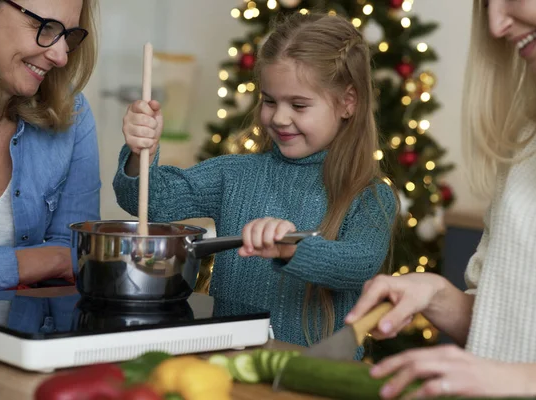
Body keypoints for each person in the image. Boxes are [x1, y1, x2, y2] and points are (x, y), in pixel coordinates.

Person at [114, 13, 398, 349]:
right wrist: (140, 150)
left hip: (312, 380)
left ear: (347, 102)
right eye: (269, 101)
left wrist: (289, 248)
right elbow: (150, 201)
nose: (278, 117)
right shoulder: (234, 174)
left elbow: (357, 264)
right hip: (229, 365)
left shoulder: (371, 196)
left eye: (299, 104)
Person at [346, 0, 536, 397]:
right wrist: (435, 295)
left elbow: (525, 371)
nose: (496, 25)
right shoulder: (530, 142)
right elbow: (511, 330)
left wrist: (533, 381)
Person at [0, 0, 101, 293]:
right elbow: (64, 258)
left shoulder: (71, 112)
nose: (61, 56)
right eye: (45, 27)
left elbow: (77, 249)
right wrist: (32, 263)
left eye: (68, 36)